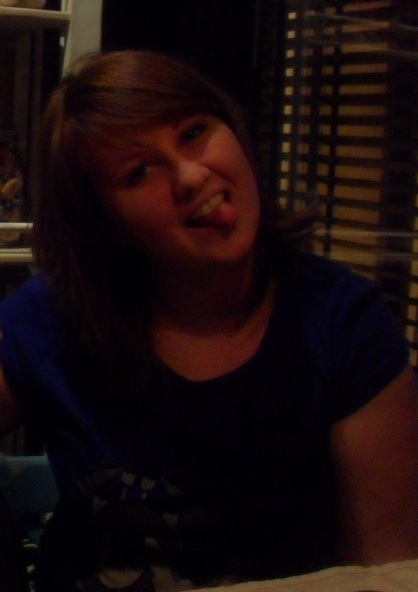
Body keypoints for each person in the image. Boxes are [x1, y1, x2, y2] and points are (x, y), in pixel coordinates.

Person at [0, 49, 417, 592]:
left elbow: (386, 574)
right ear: (107, 224)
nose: (192, 175)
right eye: (139, 171)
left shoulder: (344, 325)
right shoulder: (57, 318)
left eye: (195, 132)